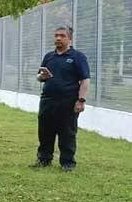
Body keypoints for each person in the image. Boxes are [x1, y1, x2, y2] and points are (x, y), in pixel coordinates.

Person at [32, 25, 90, 171]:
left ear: (70, 39)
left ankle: (67, 163)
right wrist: (41, 76)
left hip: (68, 101)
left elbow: (85, 80)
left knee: (67, 133)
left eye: (62, 36)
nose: (58, 38)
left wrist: (81, 100)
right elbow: (39, 77)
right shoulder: (49, 56)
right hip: (47, 100)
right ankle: (44, 159)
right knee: (45, 131)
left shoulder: (78, 57)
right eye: (56, 35)